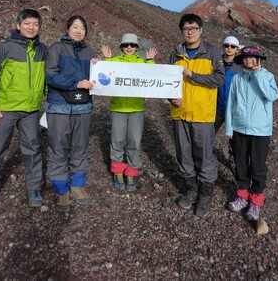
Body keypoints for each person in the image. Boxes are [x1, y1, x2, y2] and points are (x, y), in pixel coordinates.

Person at [0, 9, 46, 210]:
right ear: (18, 25)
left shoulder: (42, 49)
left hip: (31, 110)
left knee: (32, 150)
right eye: (27, 23)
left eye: (35, 24)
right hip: (6, 110)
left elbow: (47, 78)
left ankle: (34, 188)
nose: (31, 27)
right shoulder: (5, 48)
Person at [169, 14, 225, 218]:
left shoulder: (211, 53)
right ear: (182, 31)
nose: (190, 31)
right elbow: (167, 82)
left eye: (193, 28)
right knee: (183, 153)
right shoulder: (175, 54)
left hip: (203, 114)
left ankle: (205, 194)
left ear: (201, 30)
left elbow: (218, 79)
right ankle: (191, 189)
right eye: (186, 28)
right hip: (180, 113)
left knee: (204, 155)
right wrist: (171, 99)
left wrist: (193, 75)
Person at [45, 15, 96, 213]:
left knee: (80, 146)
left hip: (83, 107)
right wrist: (76, 83)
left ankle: (77, 185)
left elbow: (94, 79)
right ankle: (61, 189)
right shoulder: (56, 48)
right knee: (58, 147)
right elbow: (50, 75)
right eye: (75, 26)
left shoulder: (88, 51)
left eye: (82, 28)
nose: (78, 30)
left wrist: (97, 67)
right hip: (59, 106)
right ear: (67, 28)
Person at [225, 46, 278, 221]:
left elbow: (271, 96)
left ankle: (255, 201)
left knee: (258, 166)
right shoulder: (236, 79)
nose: (248, 59)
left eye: (252, 57)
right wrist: (229, 128)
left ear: (258, 59)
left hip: (260, 130)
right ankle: (242, 195)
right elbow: (230, 103)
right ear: (242, 60)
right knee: (240, 164)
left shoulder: (267, 76)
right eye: (246, 57)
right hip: (239, 129)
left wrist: (257, 75)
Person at [101, 34, 157, 192]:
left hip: (136, 108)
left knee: (134, 141)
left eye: (132, 45)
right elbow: (105, 74)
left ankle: (131, 171)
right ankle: (118, 170)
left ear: (137, 47)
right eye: (126, 45)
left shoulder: (142, 63)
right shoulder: (115, 61)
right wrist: (107, 59)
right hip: (118, 108)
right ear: (121, 47)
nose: (129, 48)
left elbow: (152, 77)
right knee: (117, 140)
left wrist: (150, 61)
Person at [214, 36, 241, 174]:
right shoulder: (215, 63)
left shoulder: (241, 66)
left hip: (234, 110)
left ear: (237, 49)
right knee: (208, 134)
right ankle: (204, 157)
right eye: (226, 45)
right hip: (216, 107)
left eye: (232, 46)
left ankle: (234, 159)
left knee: (235, 139)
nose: (229, 48)